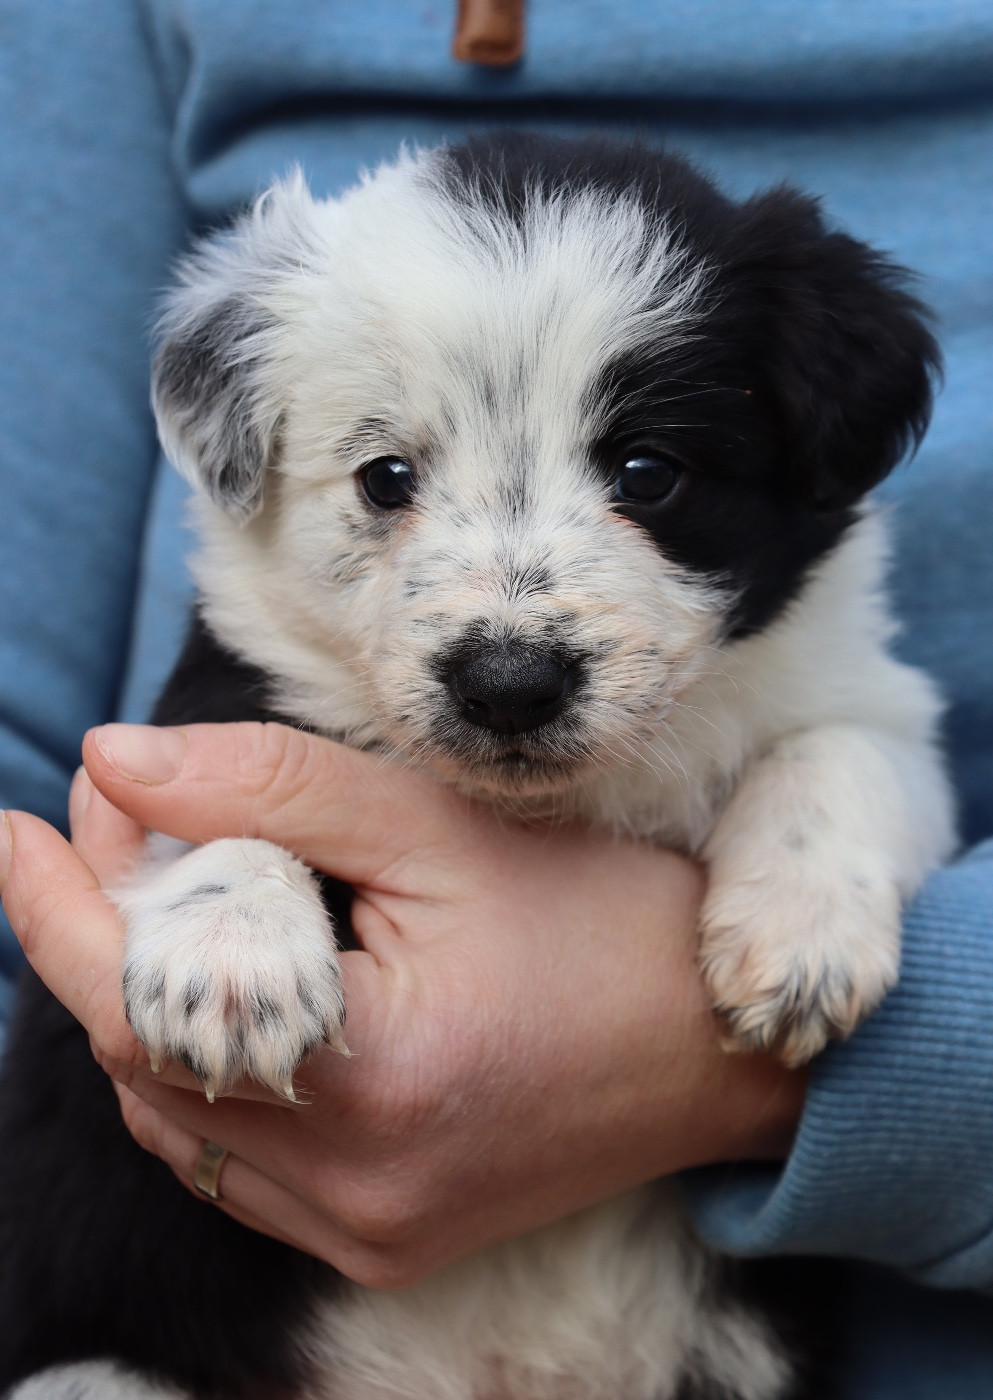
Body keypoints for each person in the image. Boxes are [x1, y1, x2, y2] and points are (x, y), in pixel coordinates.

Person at [1, 2, 992, 1394]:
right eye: (389, 484)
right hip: (210, 1349)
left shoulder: (804, 660)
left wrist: (813, 899)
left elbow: (867, 749)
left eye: (641, 475)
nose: (508, 636)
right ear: (249, 457)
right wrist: (232, 879)